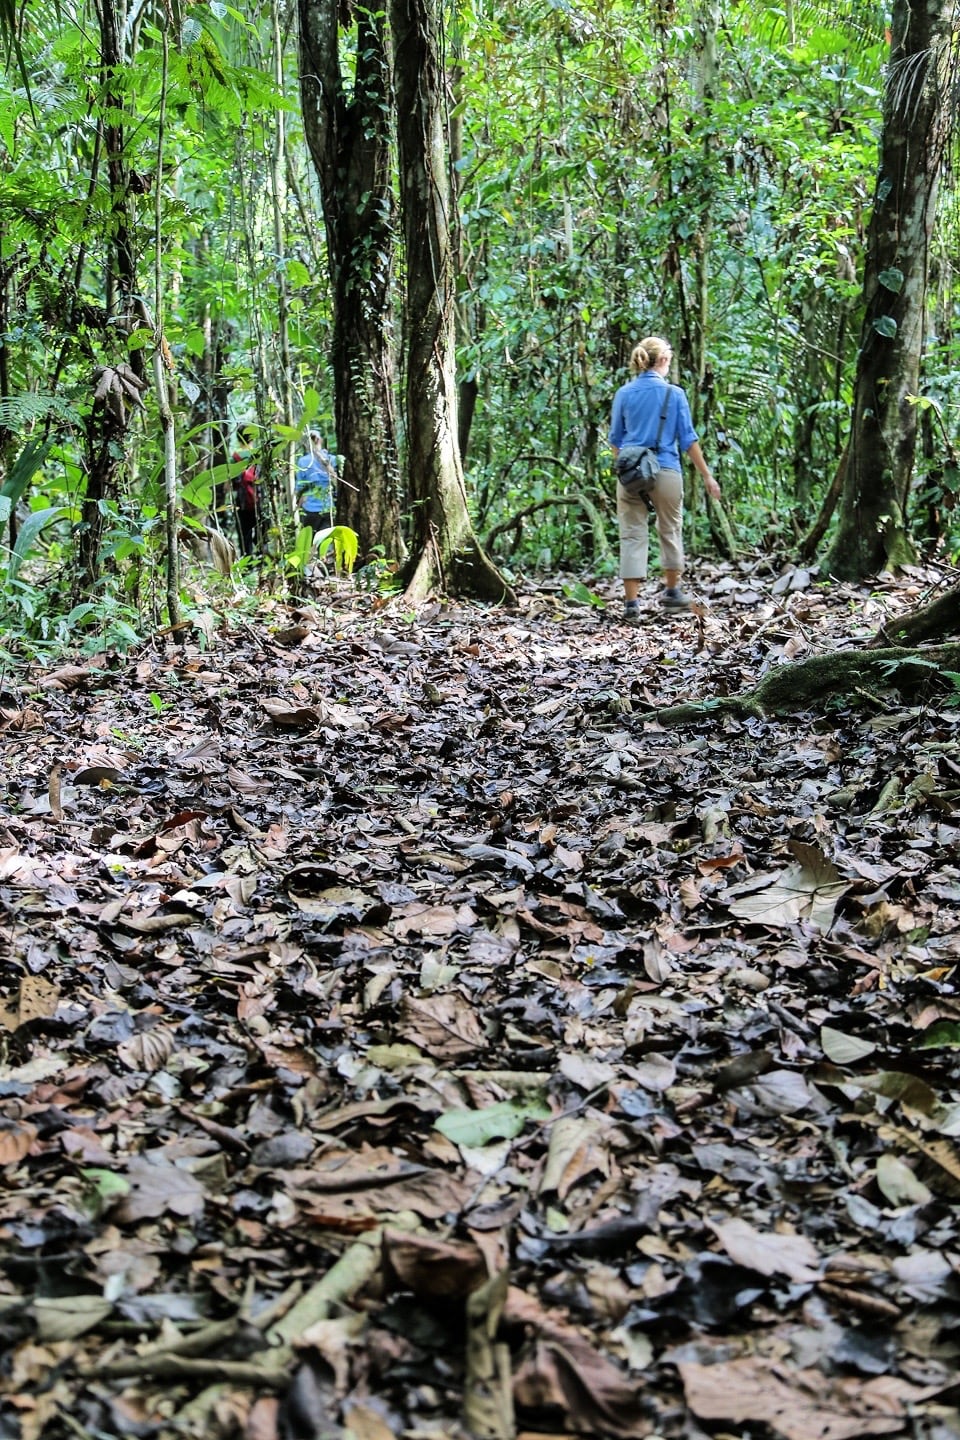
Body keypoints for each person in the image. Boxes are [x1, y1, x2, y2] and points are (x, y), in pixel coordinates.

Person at [608, 336, 720, 622]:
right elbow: (689, 440)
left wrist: (625, 469)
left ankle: (632, 604)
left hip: (631, 472)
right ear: (664, 361)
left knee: (632, 533)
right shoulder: (675, 394)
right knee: (669, 530)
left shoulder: (624, 393)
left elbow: (616, 442)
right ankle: (672, 593)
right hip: (667, 470)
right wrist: (707, 475)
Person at [295, 431, 337, 533]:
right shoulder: (331, 459)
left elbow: (300, 489)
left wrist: (297, 509)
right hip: (329, 507)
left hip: (310, 508)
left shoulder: (303, 462)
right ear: (319, 440)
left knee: (311, 543)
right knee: (326, 542)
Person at [231, 426, 263, 557]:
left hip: (242, 502)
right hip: (259, 500)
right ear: (252, 438)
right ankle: (262, 559)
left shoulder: (234, 458)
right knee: (261, 532)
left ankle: (247, 561)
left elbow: (230, 483)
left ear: (238, 438)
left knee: (245, 534)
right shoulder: (258, 455)